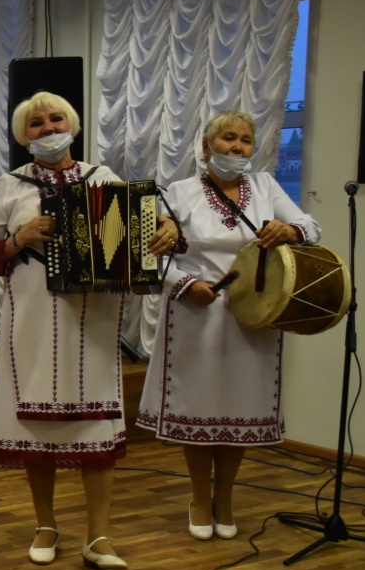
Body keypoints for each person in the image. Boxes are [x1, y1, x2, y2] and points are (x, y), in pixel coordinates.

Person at [0, 91, 179, 570]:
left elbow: (145, 229)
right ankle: (46, 523)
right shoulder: (10, 185)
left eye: (55, 118)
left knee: (95, 428)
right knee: (39, 427)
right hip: (33, 319)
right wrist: (18, 239)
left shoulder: (103, 179)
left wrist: (166, 225)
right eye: (36, 123)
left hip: (94, 321)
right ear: (24, 137)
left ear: (73, 125)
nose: (47, 127)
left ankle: (98, 535)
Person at [137, 110, 320, 540]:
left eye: (244, 141)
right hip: (195, 313)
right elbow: (151, 257)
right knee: (200, 406)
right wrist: (184, 283)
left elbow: (311, 226)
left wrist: (288, 230)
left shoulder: (266, 187)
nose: (236, 148)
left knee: (238, 406)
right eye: (228, 139)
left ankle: (227, 498)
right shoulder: (178, 194)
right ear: (206, 147)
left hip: (253, 315)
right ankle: (200, 496)